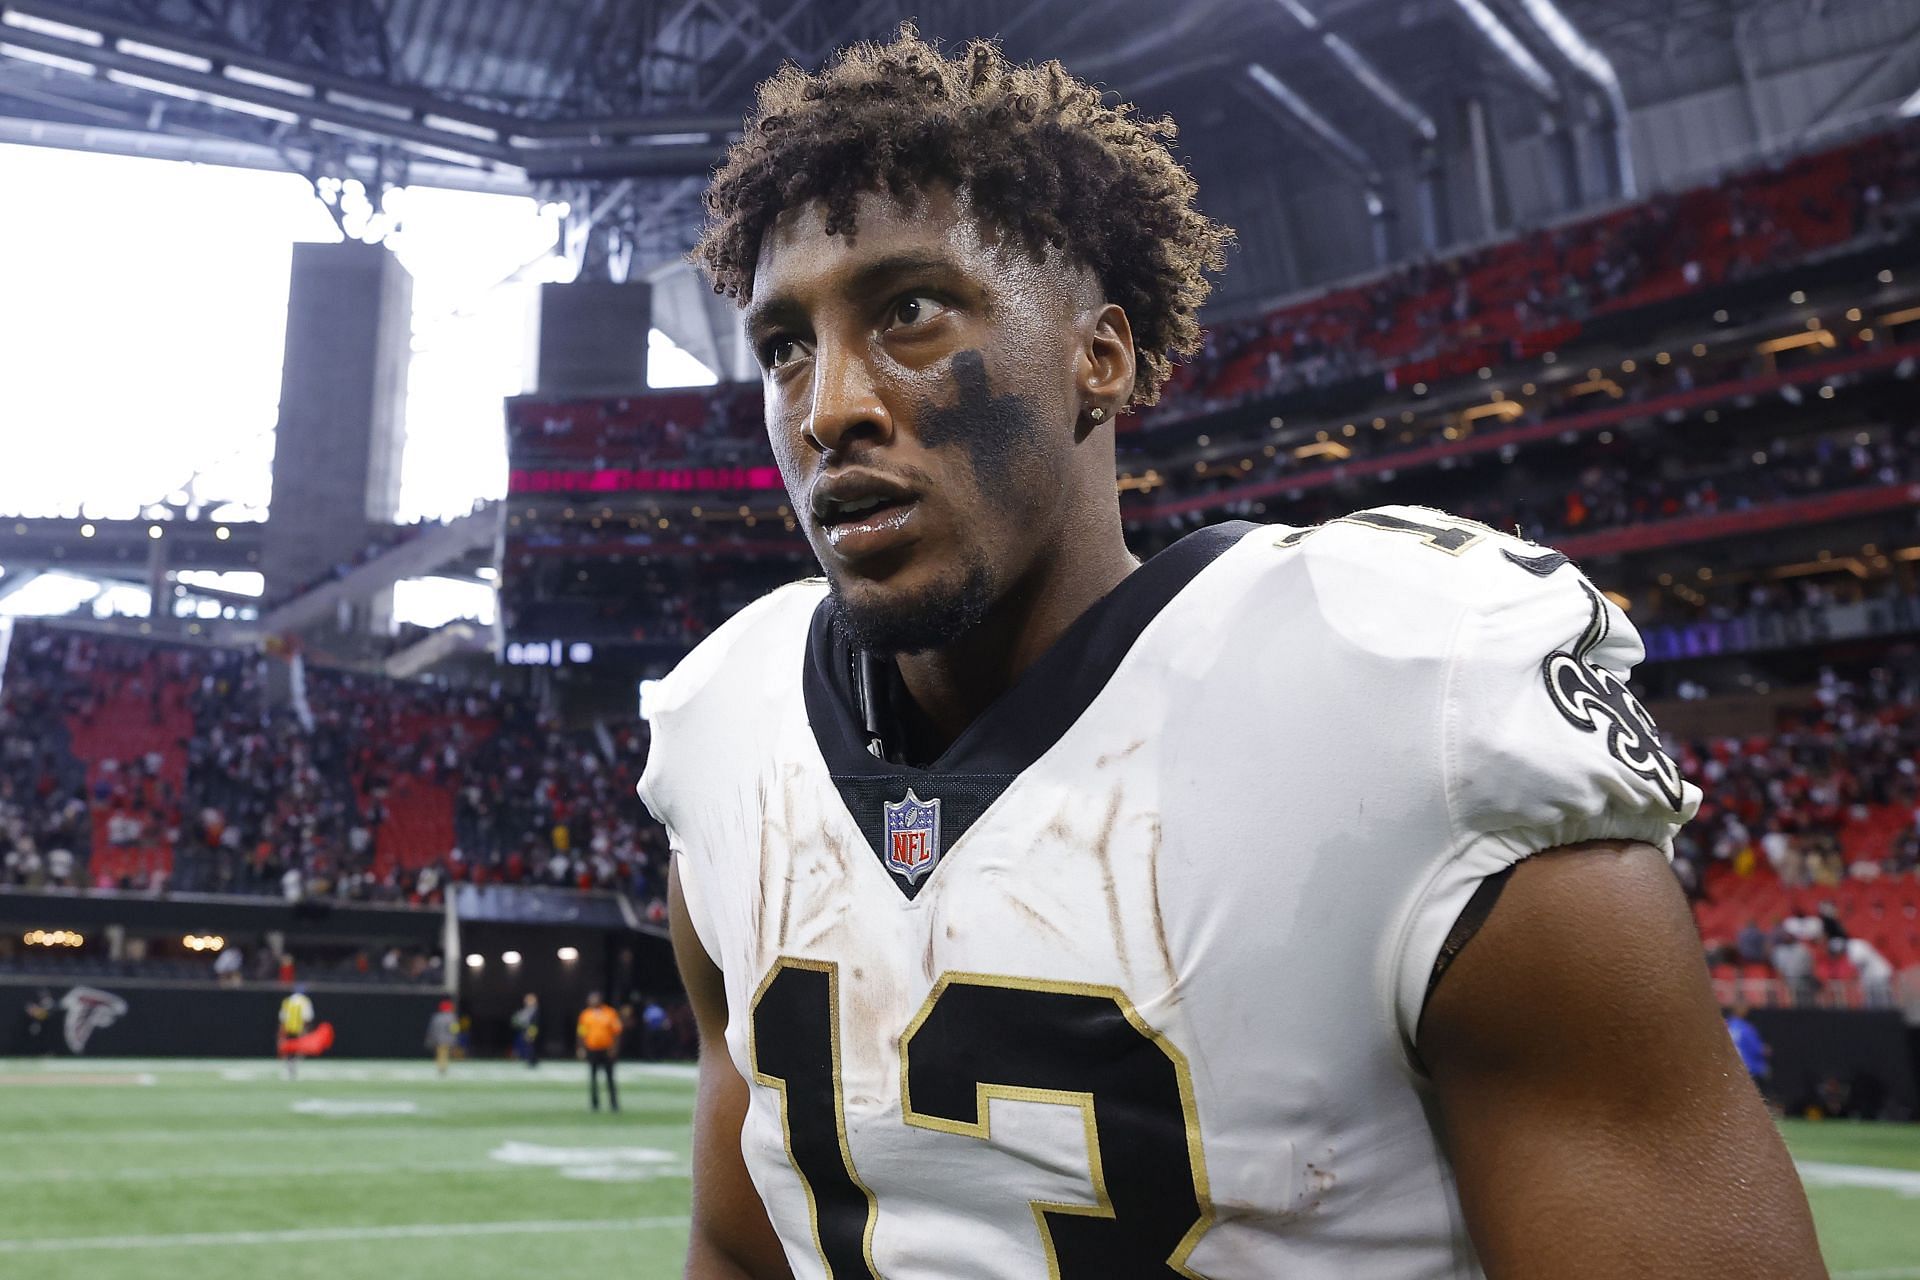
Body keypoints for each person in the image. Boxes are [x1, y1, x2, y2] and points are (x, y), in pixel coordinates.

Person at [641, 28, 1824, 1280]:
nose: (829, 406)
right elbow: (739, 1238)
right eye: (783, 345)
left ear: (1101, 357)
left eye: (911, 311)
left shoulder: (1397, 706)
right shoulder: (731, 729)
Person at [576, 992, 622, 1113]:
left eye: (595, 999)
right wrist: (581, 1048)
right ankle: (595, 1104)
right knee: (593, 1078)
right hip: (592, 1049)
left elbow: (616, 1032)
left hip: (607, 1050)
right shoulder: (586, 1014)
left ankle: (614, 1104)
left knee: (610, 1078)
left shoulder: (610, 1012)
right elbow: (581, 1033)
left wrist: (614, 1048)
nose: (593, 1001)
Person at [1725, 1004, 1771, 1094]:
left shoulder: (1726, 1026)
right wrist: (1766, 1050)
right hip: (1751, 1069)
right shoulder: (1746, 1028)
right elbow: (1758, 1049)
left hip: (1732, 1069)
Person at [277, 984, 314, 1081]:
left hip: (288, 1029)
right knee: (298, 1051)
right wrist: (305, 1031)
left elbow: (282, 1019)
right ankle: (293, 1068)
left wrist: (281, 1033)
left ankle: (289, 1068)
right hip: (299, 1030)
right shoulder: (305, 1001)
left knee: (289, 1050)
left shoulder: (287, 1001)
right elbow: (307, 1018)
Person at [425, 999, 459, 1077]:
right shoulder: (451, 1017)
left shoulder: (436, 1017)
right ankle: (443, 1068)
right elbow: (454, 1029)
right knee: (445, 1054)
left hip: (438, 1039)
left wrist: (431, 1038)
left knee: (440, 1054)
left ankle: (441, 1067)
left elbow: (432, 1029)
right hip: (448, 1039)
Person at [511, 992, 541, 1068]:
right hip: (527, 1029)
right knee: (528, 1046)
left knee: (530, 1045)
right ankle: (530, 1061)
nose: (526, 1001)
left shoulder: (534, 1009)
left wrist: (531, 1033)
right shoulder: (528, 1009)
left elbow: (534, 1023)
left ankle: (533, 1061)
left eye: (528, 999)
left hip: (531, 1029)